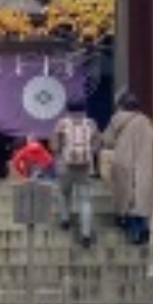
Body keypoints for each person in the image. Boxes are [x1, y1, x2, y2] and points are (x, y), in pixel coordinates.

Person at [102, 91, 153, 245]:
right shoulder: (145, 120)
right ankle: (143, 228)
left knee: (124, 193)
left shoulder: (116, 119)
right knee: (140, 195)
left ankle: (130, 227)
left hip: (123, 161)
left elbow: (107, 140)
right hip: (143, 162)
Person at [50, 97, 102, 246]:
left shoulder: (61, 124)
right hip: (85, 166)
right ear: (84, 109)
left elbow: (54, 146)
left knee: (63, 193)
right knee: (86, 200)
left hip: (65, 166)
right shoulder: (91, 124)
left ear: (68, 109)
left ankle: (65, 219)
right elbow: (97, 145)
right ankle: (86, 234)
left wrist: (61, 153)